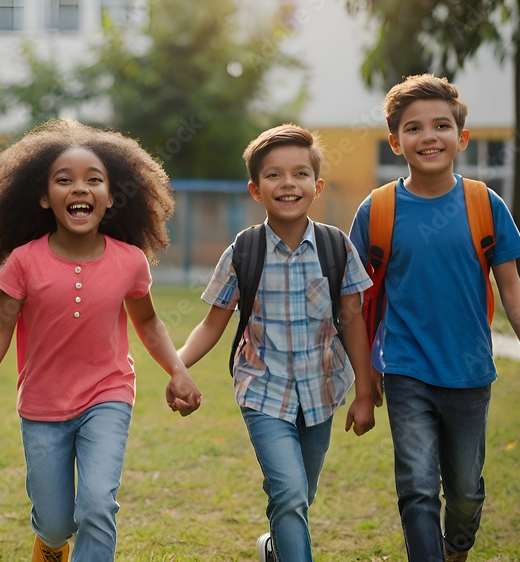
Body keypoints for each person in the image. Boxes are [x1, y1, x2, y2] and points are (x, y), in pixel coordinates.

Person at [0, 118, 203, 562]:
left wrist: (178, 371)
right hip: (42, 404)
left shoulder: (130, 262)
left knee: (97, 505)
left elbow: (148, 324)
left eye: (94, 180)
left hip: (108, 394)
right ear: (45, 197)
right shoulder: (24, 263)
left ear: (111, 195)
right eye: (63, 180)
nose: (80, 188)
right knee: (55, 523)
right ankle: (50, 546)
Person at [348, 74, 520, 562]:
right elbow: (352, 302)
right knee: (416, 485)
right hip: (405, 370)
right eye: (413, 128)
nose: (429, 136)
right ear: (396, 141)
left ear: (462, 137)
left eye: (441, 125)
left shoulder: (485, 204)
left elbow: (512, 287)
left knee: (464, 490)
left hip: (469, 371)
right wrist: (363, 380)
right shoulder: (378, 209)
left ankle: (456, 547)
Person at [177, 124, 376, 562]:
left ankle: (277, 546)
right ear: (255, 188)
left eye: (300, 174)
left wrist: (364, 391)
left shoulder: (336, 247)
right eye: (274, 175)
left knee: (302, 493)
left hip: (322, 392)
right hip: (263, 392)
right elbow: (213, 324)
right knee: (287, 491)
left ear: (317, 185)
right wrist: (177, 365)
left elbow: (352, 318)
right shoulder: (243, 252)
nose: (288, 184)